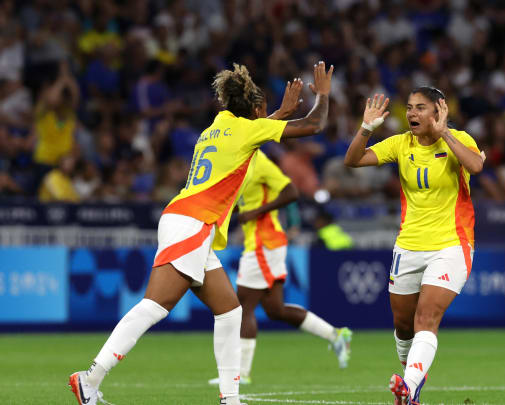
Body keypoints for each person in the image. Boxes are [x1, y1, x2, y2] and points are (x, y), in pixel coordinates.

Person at [68, 61, 334, 405]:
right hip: (193, 223)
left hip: (186, 219)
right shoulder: (246, 130)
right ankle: (90, 378)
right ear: (254, 110)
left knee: (229, 310)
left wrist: (280, 112)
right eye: (264, 109)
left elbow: (250, 132)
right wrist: (323, 95)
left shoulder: (217, 126)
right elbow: (314, 124)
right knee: (154, 306)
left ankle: (230, 398)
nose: (267, 115)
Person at [344, 88, 485, 405]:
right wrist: (366, 127)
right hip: (408, 246)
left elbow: (476, 166)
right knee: (403, 326)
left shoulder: (459, 138)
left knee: (427, 318)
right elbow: (352, 160)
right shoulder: (400, 144)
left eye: (421, 108)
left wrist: (445, 133)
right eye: (409, 108)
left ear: (439, 110)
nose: (412, 114)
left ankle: (406, 387)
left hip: (451, 244)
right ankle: (412, 388)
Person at [207, 148, 352, 386]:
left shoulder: (260, 162)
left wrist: (255, 212)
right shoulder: (240, 163)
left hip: (264, 243)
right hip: (263, 244)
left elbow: (291, 192)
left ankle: (241, 374)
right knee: (275, 309)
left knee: (243, 306)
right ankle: (335, 335)